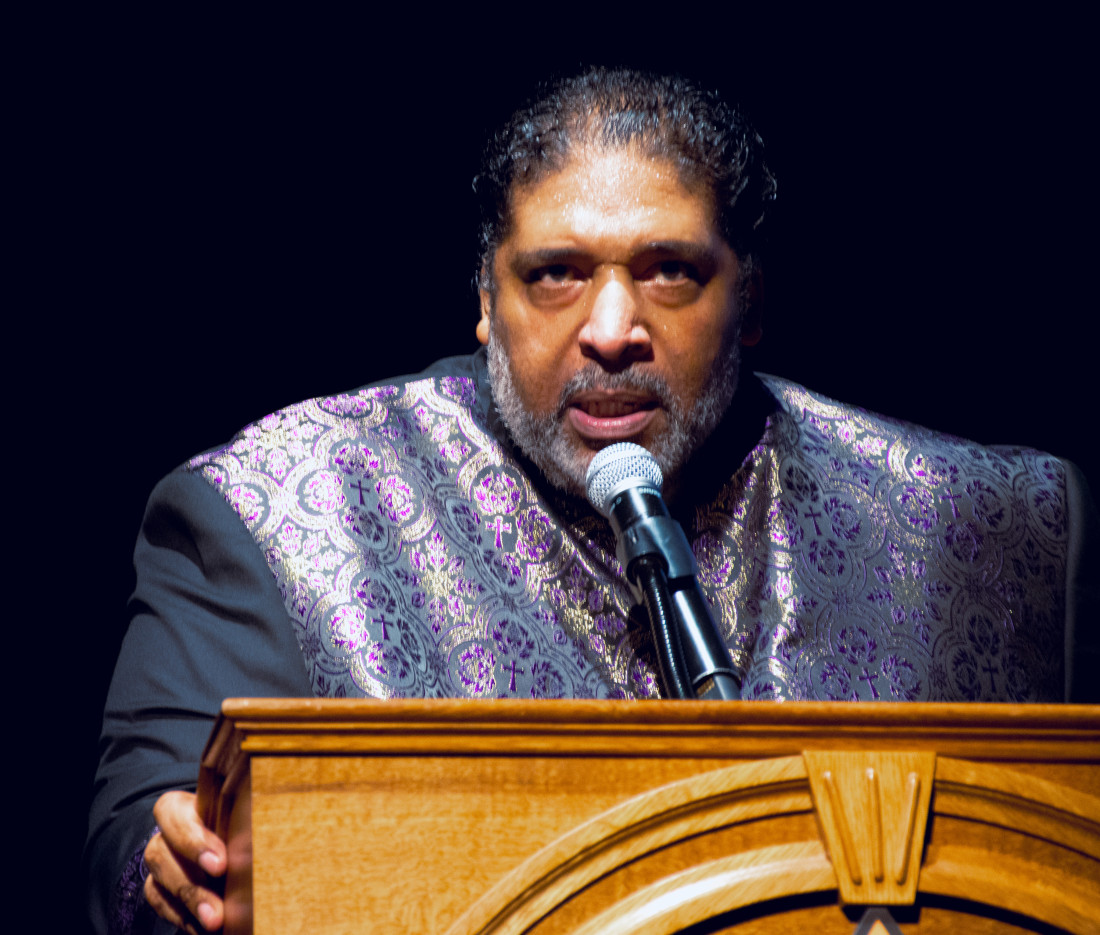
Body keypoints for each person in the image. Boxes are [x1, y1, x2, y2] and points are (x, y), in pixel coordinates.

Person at [86, 68, 1098, 934]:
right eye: (557, 275)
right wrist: (167, 860)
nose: (612, 328)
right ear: (486, 301)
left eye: (668, 273)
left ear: (749, 301)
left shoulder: (980, 530)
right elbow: (143, 831)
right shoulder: (272, 511)